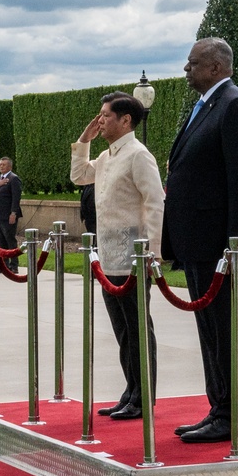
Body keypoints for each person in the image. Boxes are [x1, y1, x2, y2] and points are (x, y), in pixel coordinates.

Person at [162, 37, 238, 444]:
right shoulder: (208, 104)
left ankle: (231, 416)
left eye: (192, 64)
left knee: (226, 333)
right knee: (211, 333)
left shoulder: (235, 104)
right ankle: (218, 409)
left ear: (215, 67)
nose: (185, 70)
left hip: (220, 248)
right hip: (198, 243)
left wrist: (236, 247)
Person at [71, 93, 164, 420]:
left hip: (133, 256)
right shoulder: (108, 156)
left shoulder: (138, 156)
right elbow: (79, 175)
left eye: (106, 115)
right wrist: (84, 140)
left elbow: (155, 202)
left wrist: (151, 253)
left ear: (126, 120)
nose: (100, 120)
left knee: (138, 327)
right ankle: (131, 389)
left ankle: (144, 395)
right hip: (108, 255)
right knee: (123, 330)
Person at [0, 157, 22, 272]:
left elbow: (16, 198)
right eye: (0, 164)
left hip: (8, 216)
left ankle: (14, 266)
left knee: (10, 241)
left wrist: (13, 213)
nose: (1, 166)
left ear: (9, 166)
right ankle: (4, 266)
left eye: (3, 164)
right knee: (1, 241)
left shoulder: (14, 179)